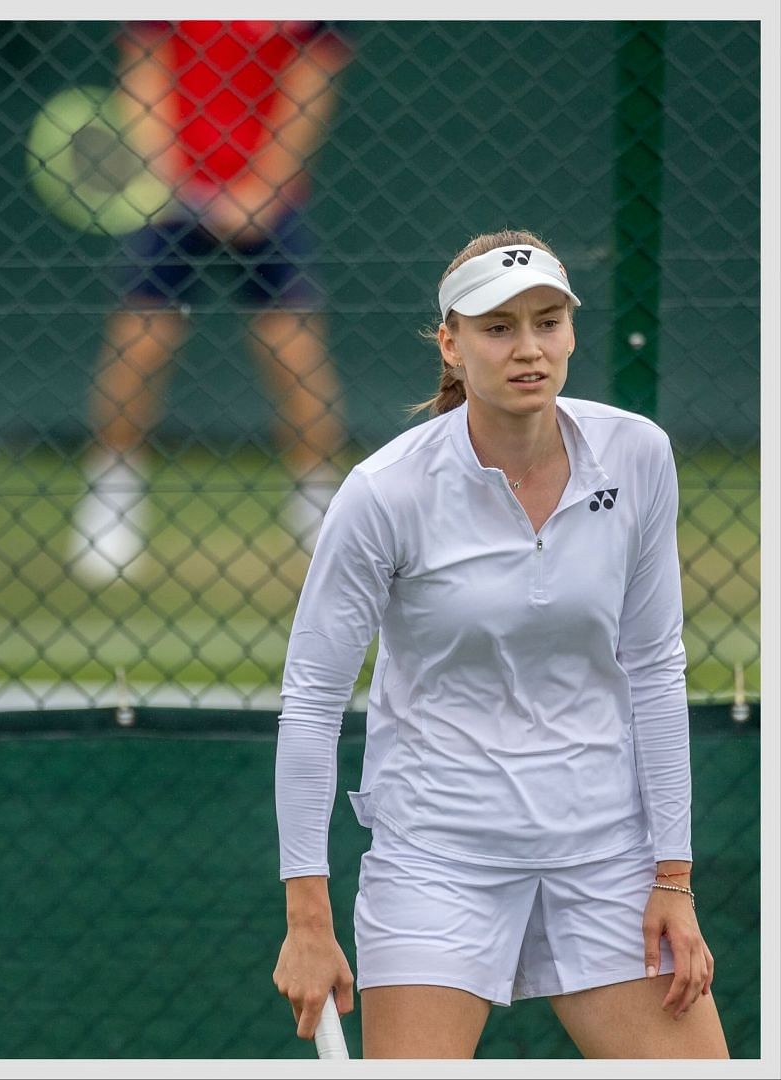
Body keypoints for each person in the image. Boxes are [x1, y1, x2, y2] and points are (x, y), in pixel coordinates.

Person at [269, 229, 729, 1058]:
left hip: (607, 858)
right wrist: (308, 917)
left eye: (548, 322)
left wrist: (674, 878)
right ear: (450, 344)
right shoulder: (384, 493)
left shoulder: (639, 454)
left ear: (572, 332)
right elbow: (311, 700)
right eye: (498, 327)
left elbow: (656, 668)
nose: (529, 349)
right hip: (437, 859)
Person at [69, 20, 351, 581]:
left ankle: (326, 515)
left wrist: (262, 190)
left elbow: (312, 83)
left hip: (269, 197)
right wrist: (170, 177)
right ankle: (110, 507)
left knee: (294, 351)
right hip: (169, 194)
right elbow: (144, 70)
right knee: (140, 342)